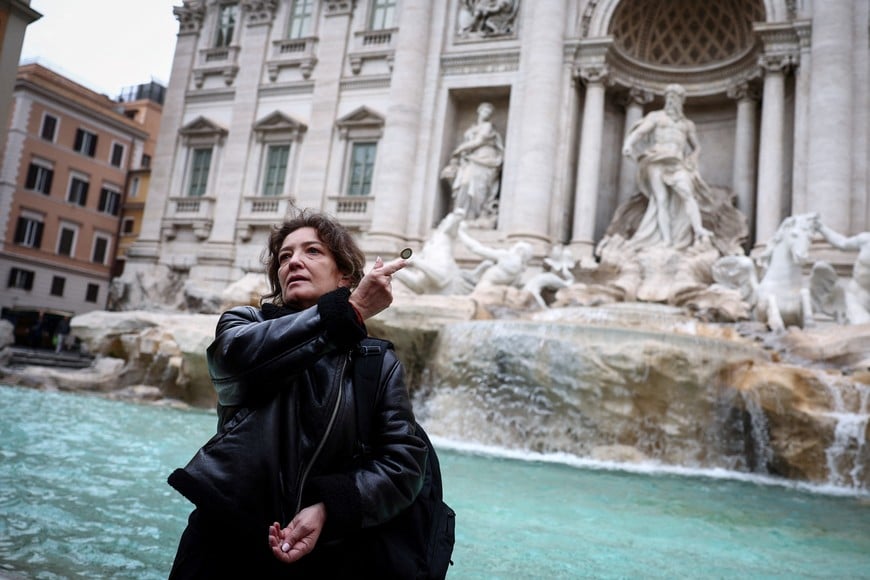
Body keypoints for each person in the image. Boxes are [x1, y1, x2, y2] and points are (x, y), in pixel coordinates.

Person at [169, 210, 427, 578]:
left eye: (313, 252)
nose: (294, 262)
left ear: (345, 275)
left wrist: (330, 506)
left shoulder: (377, 362)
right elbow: (238, 365)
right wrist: (349, 311)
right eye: (285, 256)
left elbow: (405, 463)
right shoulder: (243, 324)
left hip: (323, 553)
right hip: (223, 539)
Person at [621, 83, 714, 249]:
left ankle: (698, 229)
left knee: (687, 193)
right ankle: (666, 240)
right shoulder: (656, 117)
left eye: (676, 97)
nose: (672, 100)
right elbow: (640, 132)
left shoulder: (687, 124)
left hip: (677, 162)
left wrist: (693, 158)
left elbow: (697, 147)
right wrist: (629, 143)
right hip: (656, 159)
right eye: (670, 97)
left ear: (681, 101)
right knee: (661, 199)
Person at [444, 102, 504, 226]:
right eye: (485, 111)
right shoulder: (472, 128)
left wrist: (460, 149)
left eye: (489, 112)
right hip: (471, 159)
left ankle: (473, 216)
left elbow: (479, 141)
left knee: (479, 186)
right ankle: (461, 216)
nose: (486, 114)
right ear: (479, 111)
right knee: (465, 183)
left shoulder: (487, 126)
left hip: (485, 158)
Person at [814, 219, 870, 324]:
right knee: (862, 325)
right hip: (857, 297)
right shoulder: (866, 239)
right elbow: (841, 243)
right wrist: (821, 228)